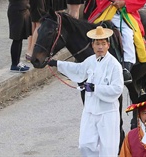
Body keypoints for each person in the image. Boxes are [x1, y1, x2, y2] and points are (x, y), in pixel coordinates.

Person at [47, 26, 124, 157]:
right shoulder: (90, 61)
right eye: (97, 44)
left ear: (108, 45)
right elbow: (78, 69)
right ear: (92, 45)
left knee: (108, 149)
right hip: (90, 110)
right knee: (85, 145)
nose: (100, 47)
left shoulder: (114, 65)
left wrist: (95, 88)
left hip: (107, 112)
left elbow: (117, 88)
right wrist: (56, 63)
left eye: (103, 44)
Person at [4, 0, 39, 73]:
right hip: (17, 11)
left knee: (20, 38)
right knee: (16, 38)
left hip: (22, 10)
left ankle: (17, 62)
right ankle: (15, 64)